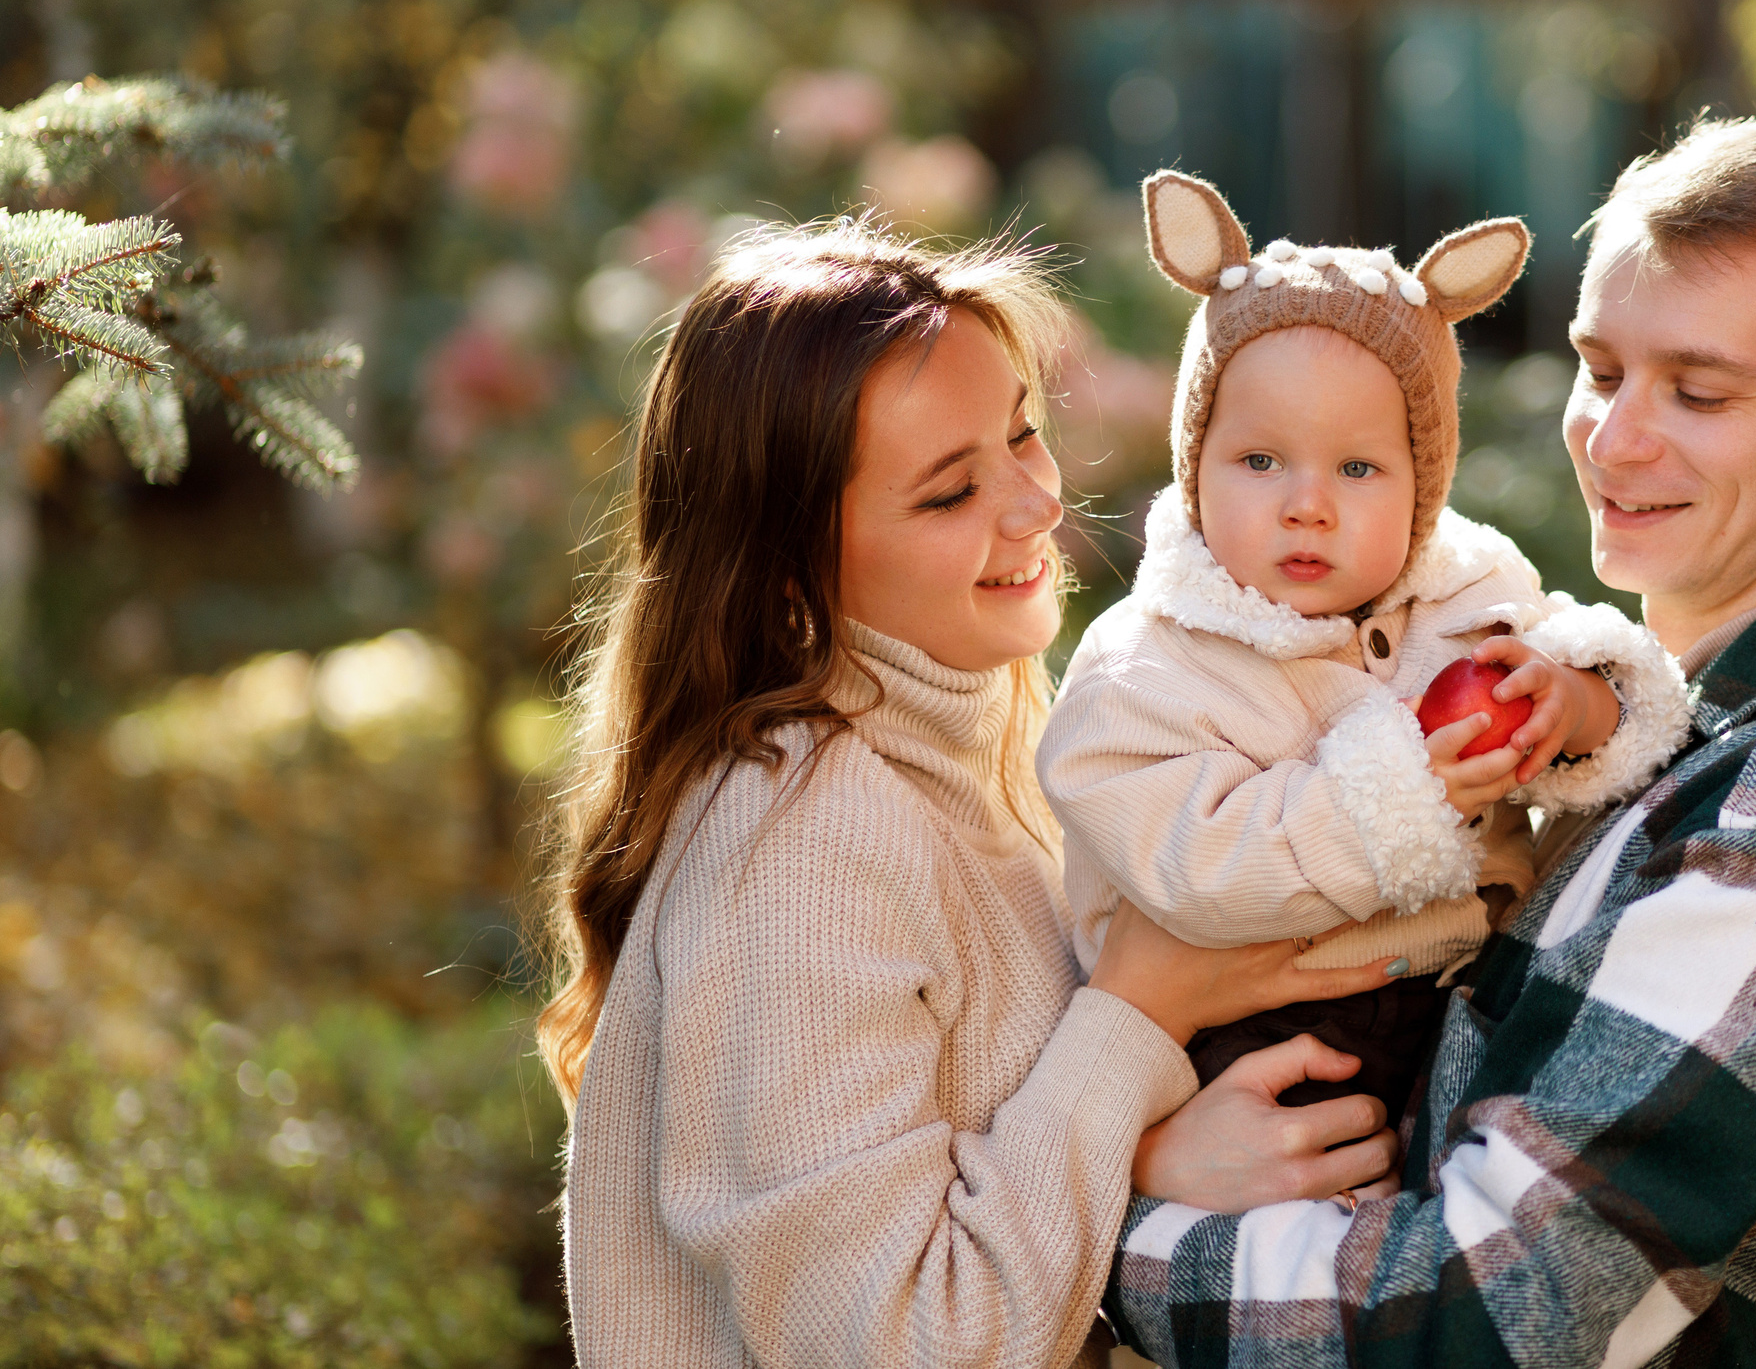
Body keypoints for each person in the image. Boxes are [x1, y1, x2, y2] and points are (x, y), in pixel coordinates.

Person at [1108, 113, 1756, 1366]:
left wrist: (1102, 1219)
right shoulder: (1662, 729)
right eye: (1601, 367)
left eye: (1700, 390)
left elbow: (1468, 1324)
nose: (1614, 438)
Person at [537, 224, 1411, 1369]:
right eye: (951, 493)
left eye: (1022, 436)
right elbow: (902, 1341)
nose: (1035, 506)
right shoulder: (796, 843)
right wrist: (1141, 1017)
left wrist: (1137, 1161)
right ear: (791, 565)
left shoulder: (985, 727)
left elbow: (968, 1156)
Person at [1041, 172, 1692, 1120]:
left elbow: (1620, 698)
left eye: (1358, 467)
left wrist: (1580, 703)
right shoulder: (1144, 665)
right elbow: (1197, 870)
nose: (1308, 503)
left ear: (1423, 486)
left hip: (1465, 986)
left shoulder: (1468, 590)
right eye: (1260, 461)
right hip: (1253, 1023)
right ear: (1195, 468)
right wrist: (1401, 791)